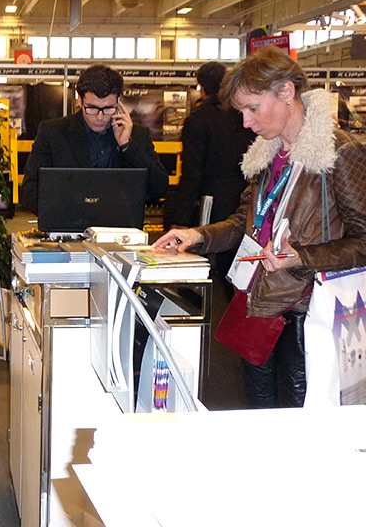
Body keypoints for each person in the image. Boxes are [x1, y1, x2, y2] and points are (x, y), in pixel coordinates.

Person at [154, 46, 366, 409]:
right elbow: (246, 221)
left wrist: (301, 257)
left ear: (286, 92)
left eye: (252, 108)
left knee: (299, 421)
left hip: (305, 314)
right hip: (259, 304)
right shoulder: (269, 152)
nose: (246, 122)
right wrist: (199, 236)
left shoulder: (339, 154)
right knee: (260, 414)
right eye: (242, 111)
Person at [20, 63, 169, 214]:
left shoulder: (137, 135)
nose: (100, 116)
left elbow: (159, 188)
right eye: (92, 108)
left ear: (118, 102)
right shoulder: (53, 133)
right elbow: (30, 190)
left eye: (108, 108)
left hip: (120, 226)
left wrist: (127, 146)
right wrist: (65, 217)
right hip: (69, 224)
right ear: (80, 101)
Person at [163, 62, 255, 292]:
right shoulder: (244, 117)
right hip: (247, 204)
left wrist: (181, 218)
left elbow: (192, 174)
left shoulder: (198, 121)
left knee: (205, 271)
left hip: (210, 207)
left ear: (201, 88)